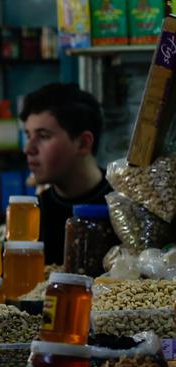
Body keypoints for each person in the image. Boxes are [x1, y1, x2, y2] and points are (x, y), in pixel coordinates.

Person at [21, 83, 112, 265]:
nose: (28, 149)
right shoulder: (31, 216)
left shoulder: (123, 208)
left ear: (83, 143)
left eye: (44, 136)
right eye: (28, 135)